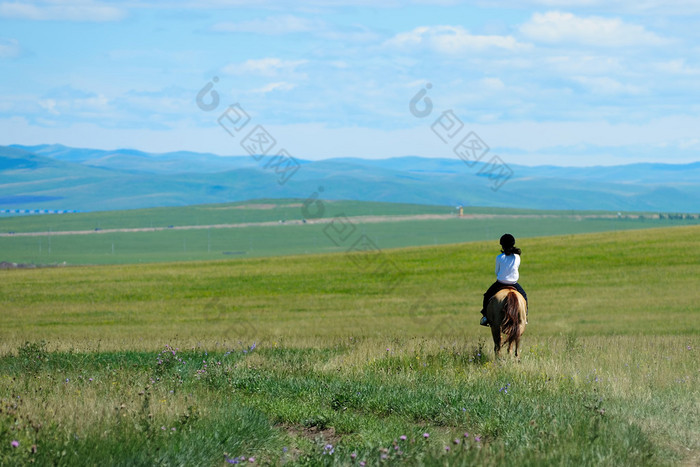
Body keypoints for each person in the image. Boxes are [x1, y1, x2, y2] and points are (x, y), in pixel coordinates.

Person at [480, 233, 528, 326]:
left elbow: (496, 271)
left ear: (502, 245)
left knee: (487, 296)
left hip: (500, 283)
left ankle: (485, 316)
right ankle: (525, 316)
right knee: (524, 296)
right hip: (514, 283)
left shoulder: (499, 257)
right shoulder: (517, 257)